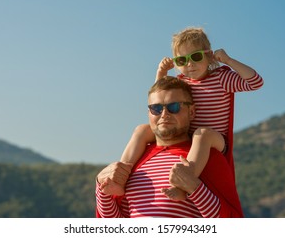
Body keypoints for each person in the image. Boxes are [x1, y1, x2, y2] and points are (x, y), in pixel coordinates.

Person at [102, 26, 264, 200]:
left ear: (209, 56)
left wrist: (229, 60)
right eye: (181, 60)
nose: (189, 64)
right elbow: (160, 97)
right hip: (186, 136)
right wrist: (161, 73)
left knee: (202, 134)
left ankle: (183, 185)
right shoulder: (182, 82)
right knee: (142, 129)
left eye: (195, 57)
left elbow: (255, 82)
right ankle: (120, 176)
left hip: (214, 139)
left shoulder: (221, 79)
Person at [96, 76, 243, 217]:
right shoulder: (136, 158)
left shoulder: (207, 157)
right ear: (149, 113)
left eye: (174, 107)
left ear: (191, 112)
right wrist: (102, 190)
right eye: (156, 108)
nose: (164, 114)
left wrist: (194, 188)